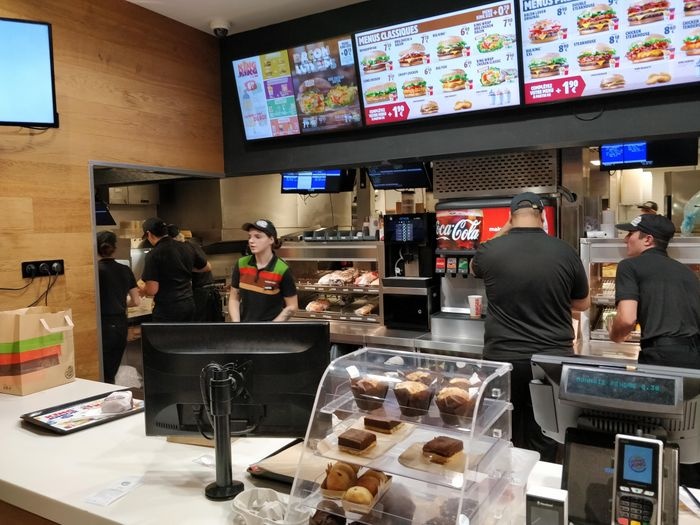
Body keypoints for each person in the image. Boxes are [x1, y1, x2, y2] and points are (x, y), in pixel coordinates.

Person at [471, 192, 590, 461]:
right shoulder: (565, 251)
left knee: (502, 433)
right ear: (543, 216)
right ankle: (539, 483)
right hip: (551, 360)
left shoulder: (490, 251)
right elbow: (582, 304)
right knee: (545, 435)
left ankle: (504, 484)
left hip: (503, 360)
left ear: (510, 217)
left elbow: (476, 264)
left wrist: (504, 229)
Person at [609, 214, 700, 368]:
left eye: (630, 233)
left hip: (661, 356)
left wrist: (615, 336)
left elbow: (627, 319)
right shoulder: (688, 272)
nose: (625, 239)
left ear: (648, 239)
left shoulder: (629, 266)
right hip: (695, 356)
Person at [140, 217, 210, 322]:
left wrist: (142, 290)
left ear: (149, 234)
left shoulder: (154, 254)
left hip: (168, 308)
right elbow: (206, 267)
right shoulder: (186, 247)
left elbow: (152, 290)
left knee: (166, 334)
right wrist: (185, 268)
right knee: (185, 333)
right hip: (188, 304)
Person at [228, 219, 298, 322]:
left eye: (258, 237)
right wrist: (237, 324)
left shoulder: (282, 269)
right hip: (245, 328)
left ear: (271, 240)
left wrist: (271, 327)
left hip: (271, 330)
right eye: (249, 237)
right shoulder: (241, 264)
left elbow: (292, 306)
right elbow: (234, 298)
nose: (251, 241)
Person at [96, 231, 141, 384]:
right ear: (114, 248)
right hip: (120, 325)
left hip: (101, 325)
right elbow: (136, 301)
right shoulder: (125, 270)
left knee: (102, 373)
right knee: (111, 372)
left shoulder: (95, 271)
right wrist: (120, 302)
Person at [167, 224, 223, 322]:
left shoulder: (186, 248)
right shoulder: (189, 246)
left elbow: (208, 267)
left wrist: (185, 268)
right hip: (205, 292)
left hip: (202, 293)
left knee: (200, 327)